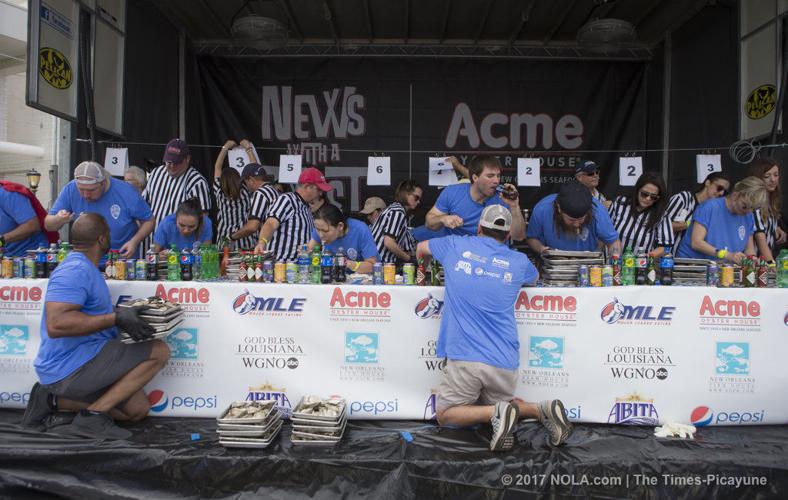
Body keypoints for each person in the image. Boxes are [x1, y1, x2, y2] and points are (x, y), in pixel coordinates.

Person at [416, 205, 572, 451]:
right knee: (503, 410)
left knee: (447, 415)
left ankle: (499, 412)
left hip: (465, 358)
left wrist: (425, 267)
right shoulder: (519, 261)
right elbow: (533, 277)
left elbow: (420, 248)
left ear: (478, 228)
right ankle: (538, 409)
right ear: (508, 235)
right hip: (504, 363)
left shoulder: (455, 246)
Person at [22, 213, 169, 439]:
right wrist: (116, 318)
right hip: (70, 365)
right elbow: (57, 324)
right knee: (159, 350)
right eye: (108, 233)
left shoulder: (86, 267)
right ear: (102, 239)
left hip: (85, 359)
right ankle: (93, 417)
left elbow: (89, 314)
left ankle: (50, 400)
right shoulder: (74, 270)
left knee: (136, 410)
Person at [46, 161, 154, 259]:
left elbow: (149, 221)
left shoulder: (127, 192)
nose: (85, 195)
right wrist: (58, 219)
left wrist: (134, 242)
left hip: (121, 262)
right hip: (85, 261)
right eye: (81, 189)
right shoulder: (70, 189)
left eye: (91, 190)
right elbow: (48, 225)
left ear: (103, 182)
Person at [425, 155, 526, 240]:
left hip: (494, 256)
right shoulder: (452, 192)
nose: (496, 181)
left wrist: (514, 206)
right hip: (461, 255)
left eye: (498, 176)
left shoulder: (503, 197)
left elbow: (518, 237)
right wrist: (443, 219)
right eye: (490, 176)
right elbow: (429, 223)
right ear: (475, 178)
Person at [676, 176, 769, 264]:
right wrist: (726, 254)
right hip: (694, 266)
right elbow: (696, 242)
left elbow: (749, 249)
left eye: (753, 208)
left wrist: (752, 259)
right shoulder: (709, 207)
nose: (748, 211)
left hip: (723, 271)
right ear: (735, 195)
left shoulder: (748, 216)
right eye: (744, 206)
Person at [254, 167, 332, 261]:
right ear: (307, 186)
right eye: (318, 189)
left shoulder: (306, 207)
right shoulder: (287, 200)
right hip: (282, 267)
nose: (320, 194)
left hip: (301, 268)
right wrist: (262, 242)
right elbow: (270, 223)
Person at [526, 180, 621, 255]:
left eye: (581, 219)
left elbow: (613, 242)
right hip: (553, 267)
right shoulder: (543, 208)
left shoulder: (598, 210)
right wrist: (541, 249)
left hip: (589, 265)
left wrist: (615, 265)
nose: (576, 224)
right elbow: (532, 238)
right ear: (559, 208)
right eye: (571, 220)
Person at [143, 138, 212, 228]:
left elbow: (203, 218)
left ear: (187, 159)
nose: (172, 166)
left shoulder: (197, 182)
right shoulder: (156, 172)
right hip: (154, 237)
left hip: (181, 239)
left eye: (177, 162)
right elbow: (144, 203)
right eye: (169, 162)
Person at [607, 172, 674, 256]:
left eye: (653, 197)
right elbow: (604, 230)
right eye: (644, 194)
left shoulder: (661, 215)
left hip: (641, 265)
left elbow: (666, 246)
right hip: (614, 262)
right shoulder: (620, 203)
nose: (648, 199)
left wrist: (646, 257)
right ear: (637, 190)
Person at [665, 171, 730, 254]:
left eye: (725, 191)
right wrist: (691, 224)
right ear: (707, 183)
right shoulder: (683, 198)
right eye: (720, 188)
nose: (721, 193)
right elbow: (663, 225)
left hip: (696, 259)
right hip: (670, 255)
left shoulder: (716, 210)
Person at [308, 204, 379, 274]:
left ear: (340, 226)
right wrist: (304, 253)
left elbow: (372, 266)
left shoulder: (361, 230)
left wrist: (346, 263)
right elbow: (308, 251)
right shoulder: (321, 228)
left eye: (325, 231)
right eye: (317, 229)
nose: (320, 235)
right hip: (332, 277)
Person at [213, 139, 255, 250]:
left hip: (225, 243)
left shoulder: (219, 192)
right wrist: (248, 148)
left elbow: (217, 167)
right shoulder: (245, 191)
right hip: (246, 242)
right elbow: (254, 169)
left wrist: (225, 147)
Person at [370, 180, 422, 263]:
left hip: (378, 263)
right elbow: (389, 242)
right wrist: (409, 259)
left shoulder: (395, 209)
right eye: (416, 197)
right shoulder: (397, 212)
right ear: (406, 194)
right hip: (381, 264)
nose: (418, 201)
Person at [229, 162, 279, 247]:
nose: (246, 185)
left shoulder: (260, 193)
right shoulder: (273, 191)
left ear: (251, 180)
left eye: (245, 182)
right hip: (276, 243)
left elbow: (252, 226)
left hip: (268, 245)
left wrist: (232, 237)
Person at [748, 157, 786, 261]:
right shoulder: (754, 203)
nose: (773, 179)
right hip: (755, 264)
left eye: (776, 175)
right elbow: (760, 239)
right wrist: (771, 264)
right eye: (767, 176)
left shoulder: (771, 201)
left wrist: (776, 228)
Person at [0, 181, 50, 256]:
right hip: (7, 259)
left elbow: (32, 225)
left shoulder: (8, 194)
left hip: (33, 256)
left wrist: (2, 240)